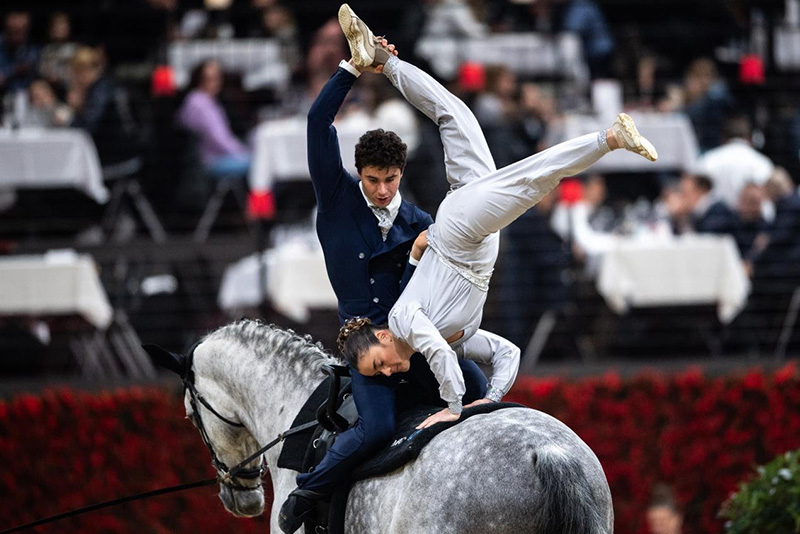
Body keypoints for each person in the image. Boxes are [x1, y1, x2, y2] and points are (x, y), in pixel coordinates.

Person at [334, 4, 656, 429]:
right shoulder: (462, 340)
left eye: (379, 365)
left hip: (461, 233)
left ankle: (610, 137)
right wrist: (490, 397)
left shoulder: (399, 321)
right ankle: (383, 60)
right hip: (471, 230)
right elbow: (509, 354)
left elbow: (436, 350)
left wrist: (452, 407)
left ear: (381, 338)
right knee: (454, 111)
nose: (390, 373)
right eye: (382, 375)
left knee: (531, 180)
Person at [277, 11, 489, 532]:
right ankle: (310, 493)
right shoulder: (337, 199)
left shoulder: (419, 219)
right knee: (374, 428)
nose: (382, 190)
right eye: (373, 180)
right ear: (360, 173)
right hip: (364, 346)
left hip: (409, 339)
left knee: (478, 383)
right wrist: (353, 67)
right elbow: (316, 123)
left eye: (391, 179)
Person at [176, 60, 251, 179]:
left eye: (217, 78)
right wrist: (243, 152)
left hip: (207, 158)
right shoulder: (200, 104)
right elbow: (219, 139)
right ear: (199, 80)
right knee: (260, 164)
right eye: (210, 79)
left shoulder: (198, 100)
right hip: (210, 161)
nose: (215, 83)